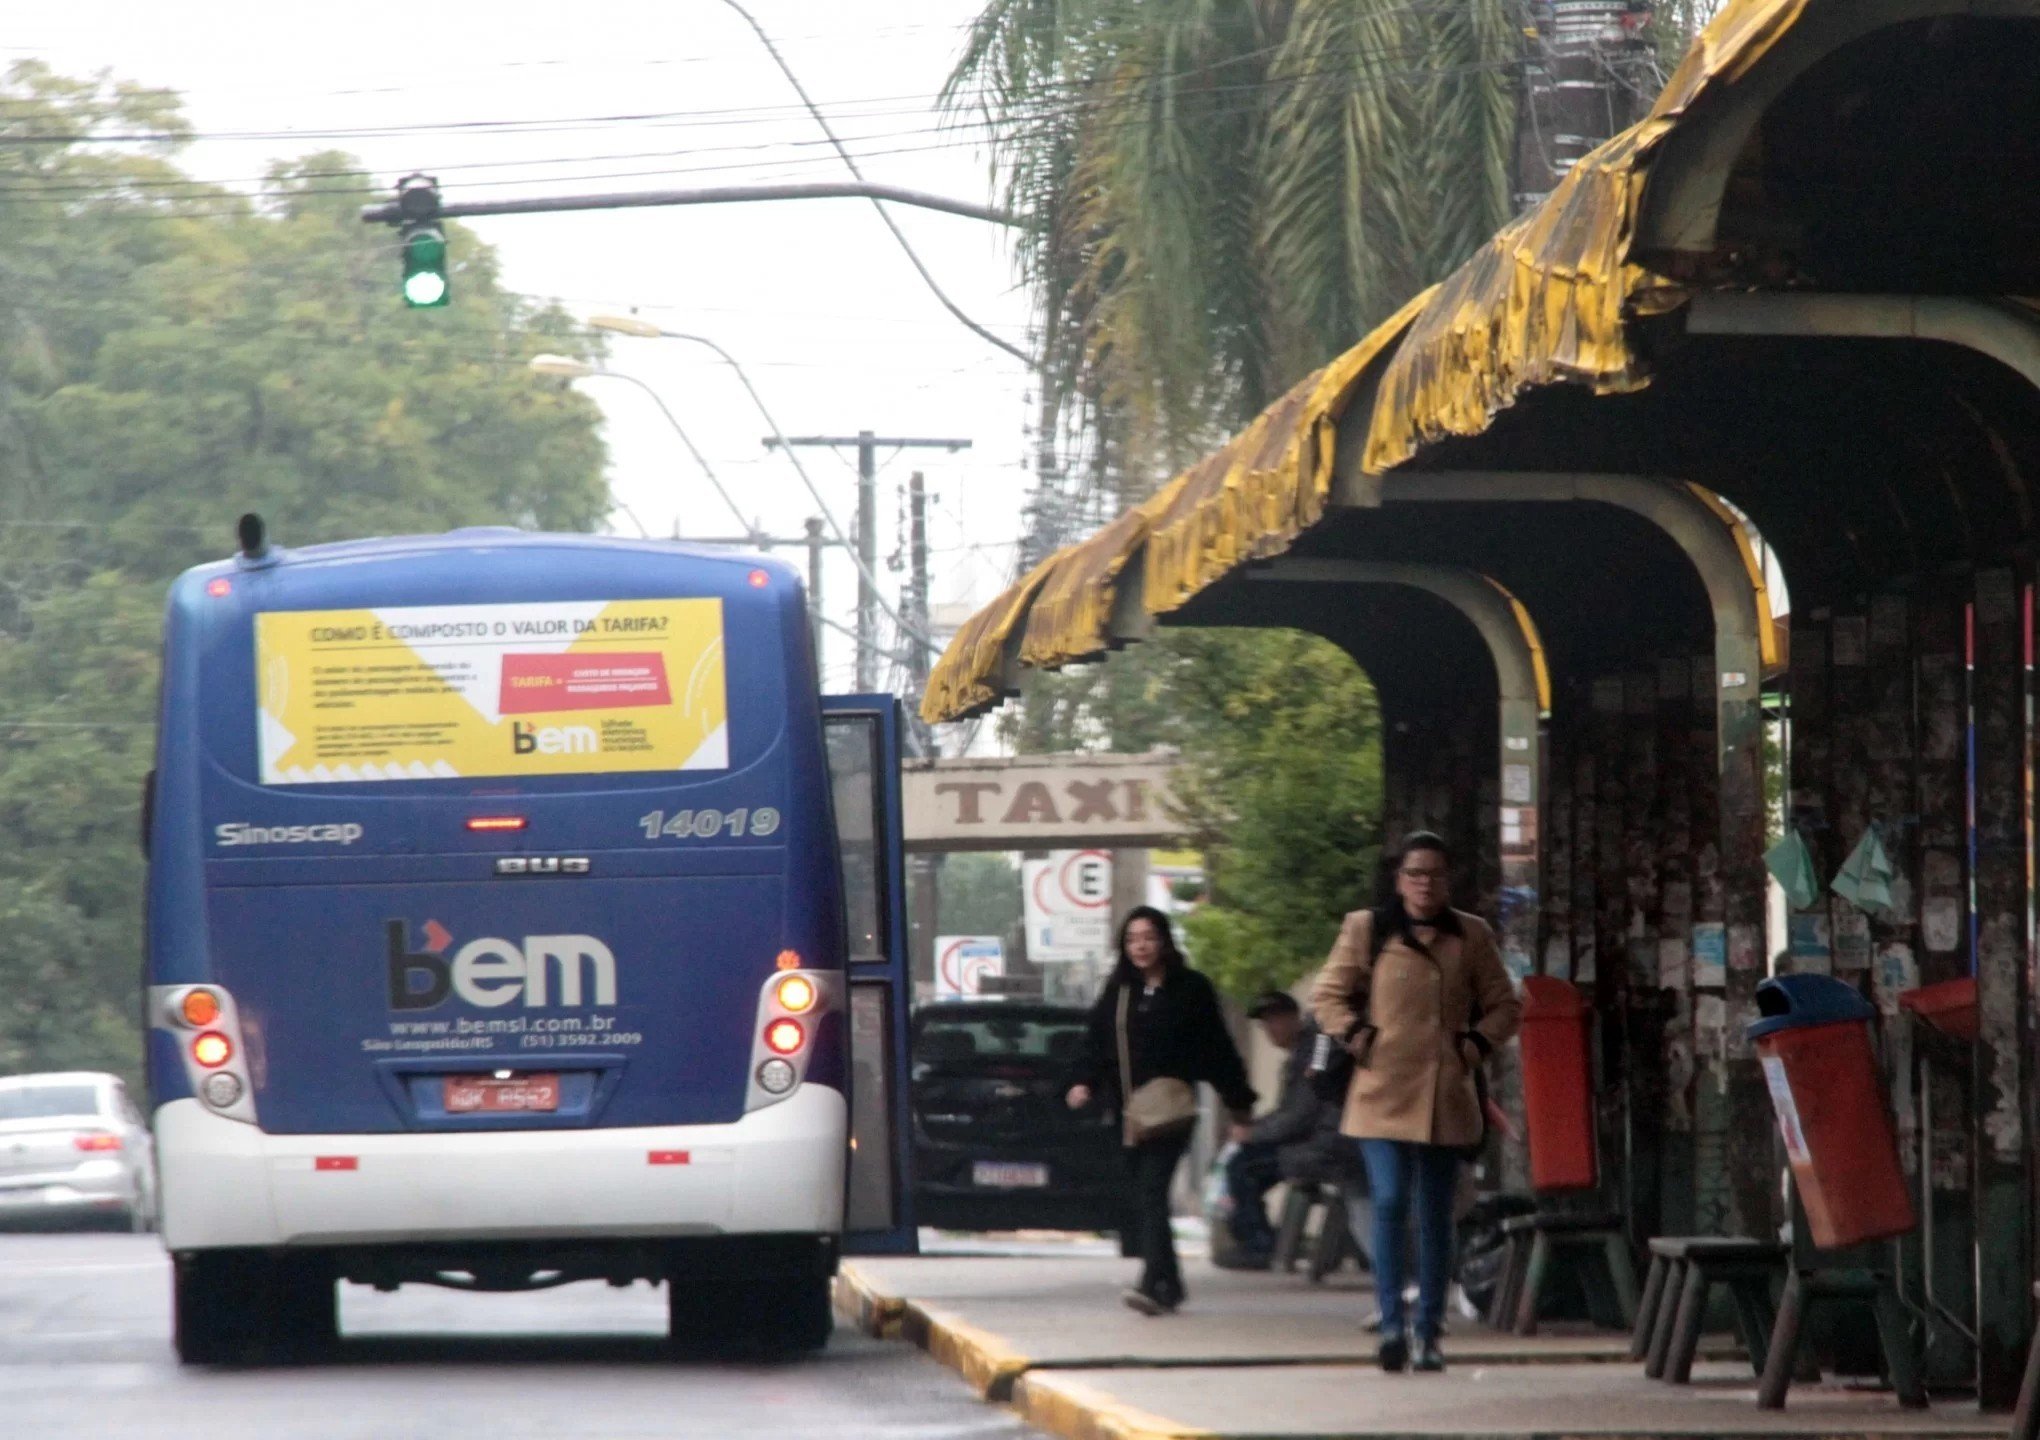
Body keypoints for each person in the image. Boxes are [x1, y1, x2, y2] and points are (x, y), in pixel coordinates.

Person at [1312, 832, 1520, 1374]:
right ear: (1398, 879)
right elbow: (1327, 995)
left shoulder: (1470, 934)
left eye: (1435, 874)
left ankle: (1429, 1331)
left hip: (1445, 1095)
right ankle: (1389, 1324)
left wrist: (1472, 1048)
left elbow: (1504, 1004)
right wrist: (1358, 1037)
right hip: (1381, 1094)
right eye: (1415, 874)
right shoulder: (1368, 928)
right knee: (1387, 1201)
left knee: (1435, 1214)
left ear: (1447, 881)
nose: (1425, 884)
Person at [1068, 906, 1255, 1316]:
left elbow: (1218, 1049)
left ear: (1165, 941)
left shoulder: (1191, 990)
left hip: (1171, 1111)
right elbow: (1094, 1044)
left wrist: (1239, 1103)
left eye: (1148, 937)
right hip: (1129, 1113)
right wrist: (1083, 1082)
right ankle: (1170, 1283)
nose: (1141, 946)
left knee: (1152, 1191)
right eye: (1133, 938)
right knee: (1142, 1195)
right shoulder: (1117, 993)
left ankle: (1152, 1283)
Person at [1221, 991, 1367, 1267]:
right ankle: (1262, 1240)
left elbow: (1302, 1115)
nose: (1269, 1030)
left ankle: (1260, 1245)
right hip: (1322, 1139)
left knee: (1243, 1167)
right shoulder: (1309, 1049)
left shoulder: (1318, 1048)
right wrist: (1254, 1129)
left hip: (1327, 1145)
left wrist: (1254, 1134)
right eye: (1264, 1024)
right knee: (1244, 1160)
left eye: (1274, 1020)